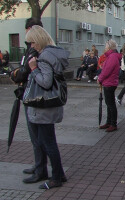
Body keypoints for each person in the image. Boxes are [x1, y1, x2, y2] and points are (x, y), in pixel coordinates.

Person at [25, 25, 68, 189]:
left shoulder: (44, 57)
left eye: (32, 42)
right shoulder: (53, 53)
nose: (31, 46)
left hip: (44, 107)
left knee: (48, 143)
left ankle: (56, 178)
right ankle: (60, 174)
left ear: (39, 40)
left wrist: (34, 69)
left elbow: (45, 82)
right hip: (50, 106)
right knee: (48, 141)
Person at [10, 18, 46, 184]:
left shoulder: (36, 50)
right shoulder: (32, 49)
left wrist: (15, 74)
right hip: (30, 94)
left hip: (33, 96)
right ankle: (39, 165)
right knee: (36, 135)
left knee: (36, 135)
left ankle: (41, 169)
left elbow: (24, 72)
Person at [98, 40, 122, 132]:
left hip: (110, 82)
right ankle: (109, 122)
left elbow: (107, 71)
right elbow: (106, 67)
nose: (104, 48)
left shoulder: (112, 57)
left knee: (111, 104)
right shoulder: (111, 56)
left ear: (109, 47)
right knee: (108, 103)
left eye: (106, 46)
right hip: (109, 82)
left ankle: (113, 123)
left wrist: (100, 78)